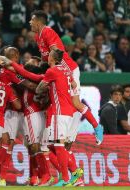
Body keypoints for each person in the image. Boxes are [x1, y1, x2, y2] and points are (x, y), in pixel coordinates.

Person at [29, 10, 103, 145]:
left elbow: (58, 55)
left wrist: (70, 77)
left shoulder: (47, 32)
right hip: (57, 71)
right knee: (54, 99)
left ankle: (97, 126)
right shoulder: (37, 37)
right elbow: (45, 58)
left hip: (68, 69)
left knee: (75, 102)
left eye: (32, 20)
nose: (30, 22)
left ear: (38, 22)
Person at [36, 49, 82, 186]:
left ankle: (66, 179)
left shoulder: (52, 71)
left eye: (49, 55)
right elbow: (73, 85)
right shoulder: (67, 71)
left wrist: (46, 86)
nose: (47, 56)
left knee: (59, 145)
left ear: (52, 58)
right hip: (68, 112)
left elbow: (39, 88)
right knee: (55, 144)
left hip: (59, 112)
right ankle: (74, 175)